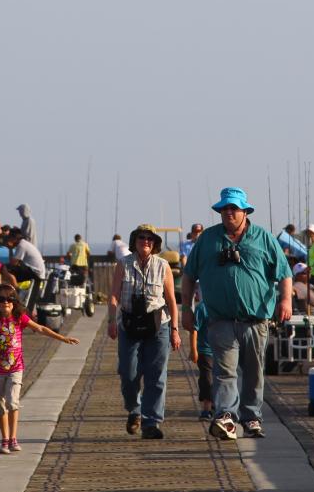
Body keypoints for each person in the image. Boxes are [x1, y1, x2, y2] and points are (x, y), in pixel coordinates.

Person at [181, 187, 292, 440]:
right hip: (220, 319)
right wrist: (187, 309)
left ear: (245, 211)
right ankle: (226, 416)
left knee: (254, 372)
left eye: (233, 208)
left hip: (255, 320)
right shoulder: (207, 239)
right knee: (225, 371)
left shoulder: (263, 238)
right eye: (224, 209)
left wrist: (285, 301)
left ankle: (251, 417)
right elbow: (188, 277)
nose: (228, 212)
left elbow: (284, 273)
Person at [0, 283, 78, 454]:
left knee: (12, 402)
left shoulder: (20, 318)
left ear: (15, 302)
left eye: (10, 299)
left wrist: (62, 338)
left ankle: (13, 438)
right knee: (0, 406)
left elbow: (40, 328)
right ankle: (5, 440)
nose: (6, 303)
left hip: (16, 367)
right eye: (1, 299)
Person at [107, 224, 180, 439]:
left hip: (158, 324)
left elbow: (171, 301)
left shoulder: (163, 266)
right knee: (128, 373)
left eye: (150, 238)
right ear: (134, 241)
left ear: (155, 242)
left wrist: (175, 330)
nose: (145, 241)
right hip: (129, 324)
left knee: (156, 375)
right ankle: (134, 409)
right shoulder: (123, 264)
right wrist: (112, 321)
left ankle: (152, 422)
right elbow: (113, 296)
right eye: (141, 237)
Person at [182, 285, 214, 421]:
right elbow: (194, 330)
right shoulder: (202, 308)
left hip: (222, 351)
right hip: (205, 351)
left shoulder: (225, 307)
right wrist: (193, 350)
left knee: (221, 380)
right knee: (206, 380)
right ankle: (206, 409)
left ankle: (219, 406)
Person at [3, 227, 47, 314]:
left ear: (14, 238)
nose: (9, 240)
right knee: (8, 270)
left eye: (10, 238)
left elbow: (13, 263)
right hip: (36, 272)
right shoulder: (24, 243)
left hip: (35, 273)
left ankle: (15, 291)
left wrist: (10, 249)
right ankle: (14, 290)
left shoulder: (21, 245)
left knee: (5, 269)